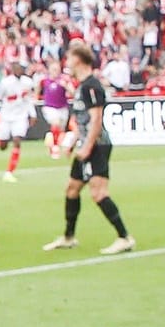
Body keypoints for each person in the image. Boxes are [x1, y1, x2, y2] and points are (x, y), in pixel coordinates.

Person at [45, 41, 135, 254]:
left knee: (98, 192)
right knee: (72, 189)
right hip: (85, 144)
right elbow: (83, 121)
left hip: (97, 146)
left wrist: (87, 146)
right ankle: (68, 237)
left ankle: (124, 237)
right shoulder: (81, 87)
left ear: (78, 60)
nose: (67, 61)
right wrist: (73, 141)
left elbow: (96, 120)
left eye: (69, 57)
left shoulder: (92, 86)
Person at [0, 60, 37, 183]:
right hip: (6, 116)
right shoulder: (5, 83)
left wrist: (33, 114)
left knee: (17, 140)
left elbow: (28, 99)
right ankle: (2, 141)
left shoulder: (28, 82)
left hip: (20, 116)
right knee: (3, 145)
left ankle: (9, 171)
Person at [39, 62, 72, 158]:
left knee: (61, 130)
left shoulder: (64, 80)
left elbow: (72, 92)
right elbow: (38, 89)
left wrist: (66, 85)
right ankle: (55, 148)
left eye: (57, 69)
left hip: (62, 107)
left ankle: (51, 144)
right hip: (50, 107)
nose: (55, 72)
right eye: (53, 69)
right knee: (55, 123)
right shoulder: (45, 80)